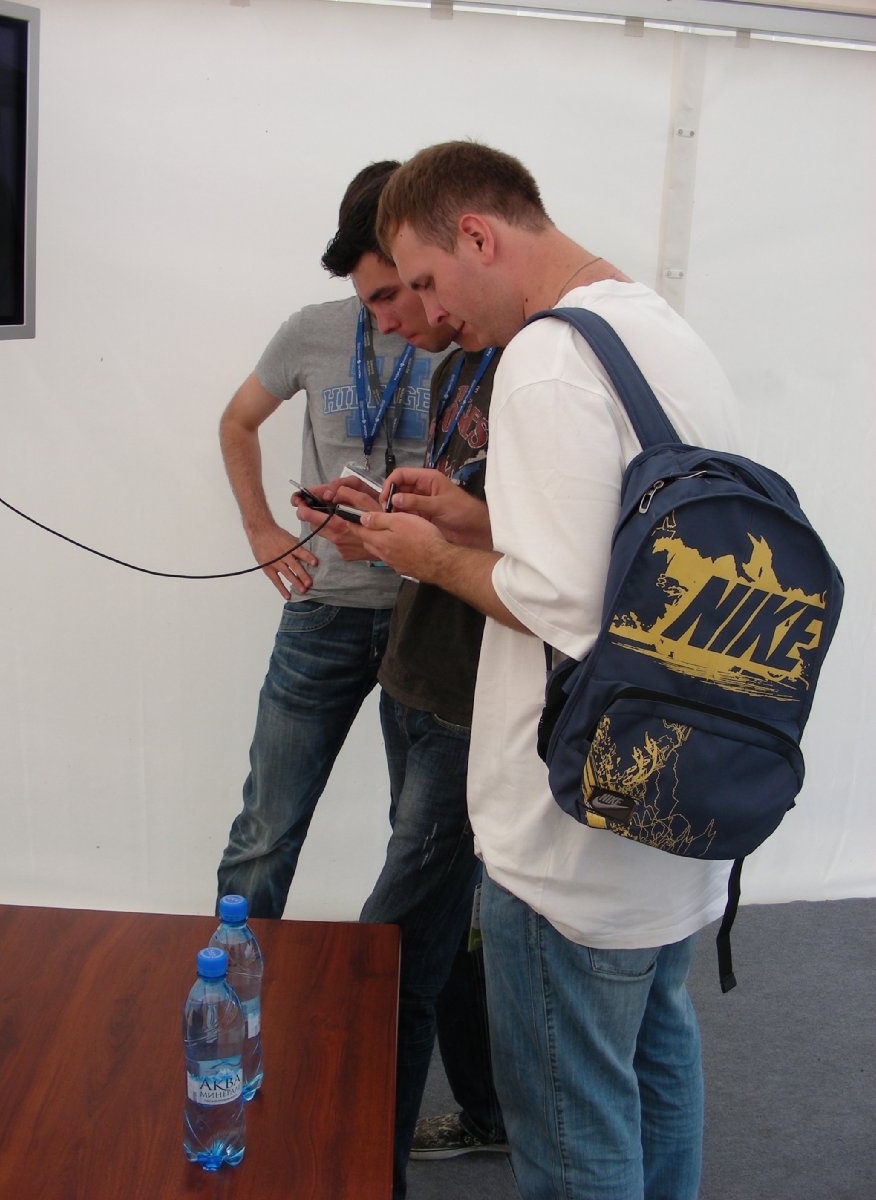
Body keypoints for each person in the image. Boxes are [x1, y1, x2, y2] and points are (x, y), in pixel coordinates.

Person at [350, 141, 742, 1200]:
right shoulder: (658, 330)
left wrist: (428, 557)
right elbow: (632, 551)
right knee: (656, 1062)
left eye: (427, 280)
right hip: (678, 799)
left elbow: (565, 608)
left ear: (478, 236)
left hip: (570, 835)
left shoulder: (545, 360)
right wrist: (478, 518)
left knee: (573, 1128)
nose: (430, 313)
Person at [294, 342, 508, 1197]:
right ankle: (487, 1111)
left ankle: (361, 1176)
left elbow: (555, 557)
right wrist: (381, 525)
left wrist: (429, 541)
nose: (398, 320)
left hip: (469, 705)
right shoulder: (455, 369)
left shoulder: (547, 371)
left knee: (387, 954)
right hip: (412, 680)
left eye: (406, 290)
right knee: (435, 927)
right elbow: (453, 523)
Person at [215, 161, 456, 918]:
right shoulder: (311, 331)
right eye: (373, 294)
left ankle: (404, 987)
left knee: (419, 842)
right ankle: (233, 977)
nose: (389, 313)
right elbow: (237, 421)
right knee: (266, 828)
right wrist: (261, 529)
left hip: (429, 614)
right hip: (326, 607)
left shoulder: (462, 331)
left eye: (395, 288)